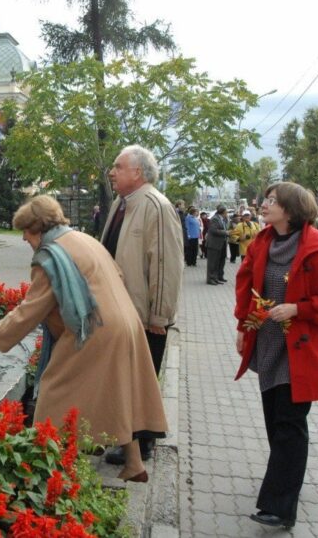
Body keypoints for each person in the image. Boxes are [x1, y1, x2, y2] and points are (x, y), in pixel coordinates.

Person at [0, 196, 168, 483]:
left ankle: (47, 472)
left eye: (26, 232)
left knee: (54, 393)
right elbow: (119, 273)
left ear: (38, 227)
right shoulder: (82, 238)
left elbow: (30, 310)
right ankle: (135, 465)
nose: (25, 238)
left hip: (94, 330)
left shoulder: (50, 257)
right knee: (120, 393)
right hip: (124, 323)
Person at [234, 182, 318, 530]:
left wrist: (299, 309)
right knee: (276, 420)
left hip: (303, 350)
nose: (263, 205)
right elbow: (246, 285)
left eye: (272, 201)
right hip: (270, 344)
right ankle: (287, 478)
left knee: (290, 424)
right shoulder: (263, 241)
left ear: (290, 210)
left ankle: (280, 506)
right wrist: (244, 328)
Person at [100, 144, 183, 465]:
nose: (112, 171)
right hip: (122, 311)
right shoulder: (123, 203)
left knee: (141, 381)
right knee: (127, 378)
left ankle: (142, 443)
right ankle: (126, 436)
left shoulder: (155, 206)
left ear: (137, 172)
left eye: (118, 166)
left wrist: (160, 314)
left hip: (145, 315)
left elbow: (165, 265)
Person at [206, 206, 230, 285]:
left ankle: (216, 277)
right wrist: (225, 232)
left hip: (221, 243)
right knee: (212, 263)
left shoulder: (223, 219)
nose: (227, 213)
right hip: (214, 244)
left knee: (218, 262)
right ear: (223, 212)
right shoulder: (215, 219)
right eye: (226, 212)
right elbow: (213, 230)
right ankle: (210, 279)